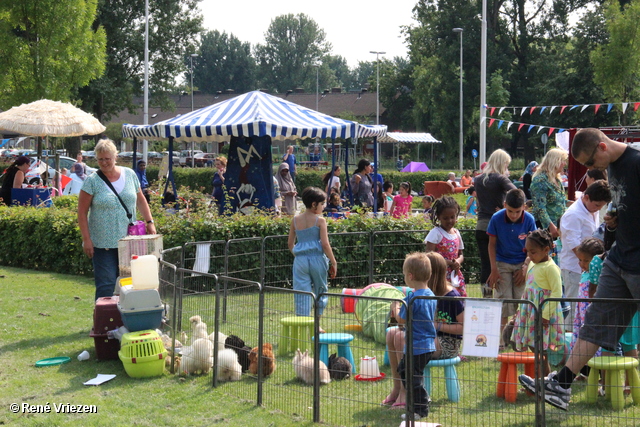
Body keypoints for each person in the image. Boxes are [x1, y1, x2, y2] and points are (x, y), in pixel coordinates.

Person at [519, 128, 640, 411]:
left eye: (589, 163)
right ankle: (561, 384)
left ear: (601, 146)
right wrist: (614, 222)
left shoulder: (636, 163)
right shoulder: (611, 165)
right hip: (618, 258)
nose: (589, 170)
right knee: (595, 321)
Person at [77, 139, 156, 300]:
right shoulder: (92, 181)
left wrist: (150, 222)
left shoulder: (130, 174)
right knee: (106, 284)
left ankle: (129, 318)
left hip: (129, 241)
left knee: (132, 283)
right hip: (103, 243)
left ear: (115, 157)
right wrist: (86, 239)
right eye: (100, 159)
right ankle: (103, 322)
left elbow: (140, 200)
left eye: (107, 158)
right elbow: (82, 212)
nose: (104, 163)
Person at [383, 252, 463, 410]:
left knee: (400, 337)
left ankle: (407, 393)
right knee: (392, 332)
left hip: (446, 341)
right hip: (427, 337)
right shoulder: (423, 293)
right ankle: (397, 387)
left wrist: (436, 326)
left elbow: (463, 327)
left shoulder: (452, 295)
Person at [387, 252, 436, 421]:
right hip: (427, 345)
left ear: (410, 276)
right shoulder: (430, 295)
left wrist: (396, 308)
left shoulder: (412, 298)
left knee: (411, 377)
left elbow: (401, 320)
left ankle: (420, 409)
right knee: (406, 371)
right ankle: (422, 399)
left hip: (416, 346)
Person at [511, 229, 564, 378]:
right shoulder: (533, 265)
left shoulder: (551, 268)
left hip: (543, 314)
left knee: (541, 349)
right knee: (534, 347)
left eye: (533, 252)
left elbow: (557, 292)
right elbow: (529, 290)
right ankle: (538, 381)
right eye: (527, 252)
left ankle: (544, 382)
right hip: (531, 312)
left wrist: (545, 315)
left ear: (546, 249)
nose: (529, 256)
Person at [487, 189, 537, 344]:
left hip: (522, 263)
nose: (513, 215)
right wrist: (494, 269)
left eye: (517, 211)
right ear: (504, 205)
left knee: (521, 301)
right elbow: (491, 245)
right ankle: (500, 341)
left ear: (524, 207)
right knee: (503, 301)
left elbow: (533, 246)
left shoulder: (529, 219)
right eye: (510, 211)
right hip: (502, 263)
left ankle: (519, 338)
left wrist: (525, 267)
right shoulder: (496, 218)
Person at [559, 180, 610, 330]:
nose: (598, 209)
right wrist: (587, 264)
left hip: (588, 269)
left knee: (585, 310)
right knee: (574, 311)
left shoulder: (590, 209)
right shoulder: (573, 215)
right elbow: (575, 246)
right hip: (575, 269)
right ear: (586, 197)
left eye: (601, 206)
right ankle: (568, 346)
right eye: (596, 205)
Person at [288, 187, 337, 328]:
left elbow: (290, 244)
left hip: (300, 261)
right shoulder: (320, 221)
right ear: (314, 204)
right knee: (320, 290)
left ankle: (303, 323)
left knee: (301, 291)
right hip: (317, 259)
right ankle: (317, 324)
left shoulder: (295, 220)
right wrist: (333, 262)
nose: (324, 207)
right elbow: (325, 245)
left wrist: (299, 255)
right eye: (322, 204)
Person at [473, 149, 516, 295]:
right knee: (500, 263)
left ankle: (486, 297)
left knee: (486, 265)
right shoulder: (500, 179)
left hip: (481, 225)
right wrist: (505, 206)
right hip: (498, 227)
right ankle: (500, 297)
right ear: (503, 163)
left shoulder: (478, 179)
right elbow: (517, 194)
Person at [424, 196, 467, 297]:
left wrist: (457, 262)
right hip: (439, 276)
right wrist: (448, 262)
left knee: (458, 301)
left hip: (455, 275)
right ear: (438, 217)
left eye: (452, 217)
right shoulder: (435, 233)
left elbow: (461, 254)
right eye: (445, 218)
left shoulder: (456, 233)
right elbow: (429, 255)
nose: (450, 221)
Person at [571, 237, 604, 353]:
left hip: (592, 316)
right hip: (581, 314)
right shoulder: (585, 274)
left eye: (586, 261)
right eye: (580, 260)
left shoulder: (598, 276)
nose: (582, 264)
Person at [530, 148, 568, 238]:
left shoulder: (557, 179)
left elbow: (558, 201)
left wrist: (575, 203)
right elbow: (540, 208)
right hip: (545, 229)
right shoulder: (540, 180)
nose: (565, 164)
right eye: (563, 161)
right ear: (555, 161)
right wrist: (550, 226)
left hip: (559, 225)